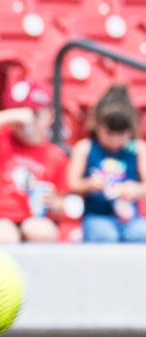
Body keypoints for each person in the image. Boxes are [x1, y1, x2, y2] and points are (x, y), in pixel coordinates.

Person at [0, 83, 65, 242]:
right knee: (5, 235)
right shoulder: (2, 139)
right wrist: (13, 115)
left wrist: (54, 202)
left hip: (33, 218)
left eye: (35, 115)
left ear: (50, 116)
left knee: (44, 232)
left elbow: (61, 201)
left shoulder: (56, 155)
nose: (26, 124)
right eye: (20, 119)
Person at [65, 84, 146, 244]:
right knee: (105, 235)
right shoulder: (85, 147)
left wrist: (134, 189)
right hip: (97, 217)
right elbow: (71, 184)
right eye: (110, 132)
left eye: (121, 133)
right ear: (97, 125)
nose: (115, 139)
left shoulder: (138, 149)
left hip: (130, 218)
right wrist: (90, 185)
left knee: (141, 233)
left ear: (131, 129)